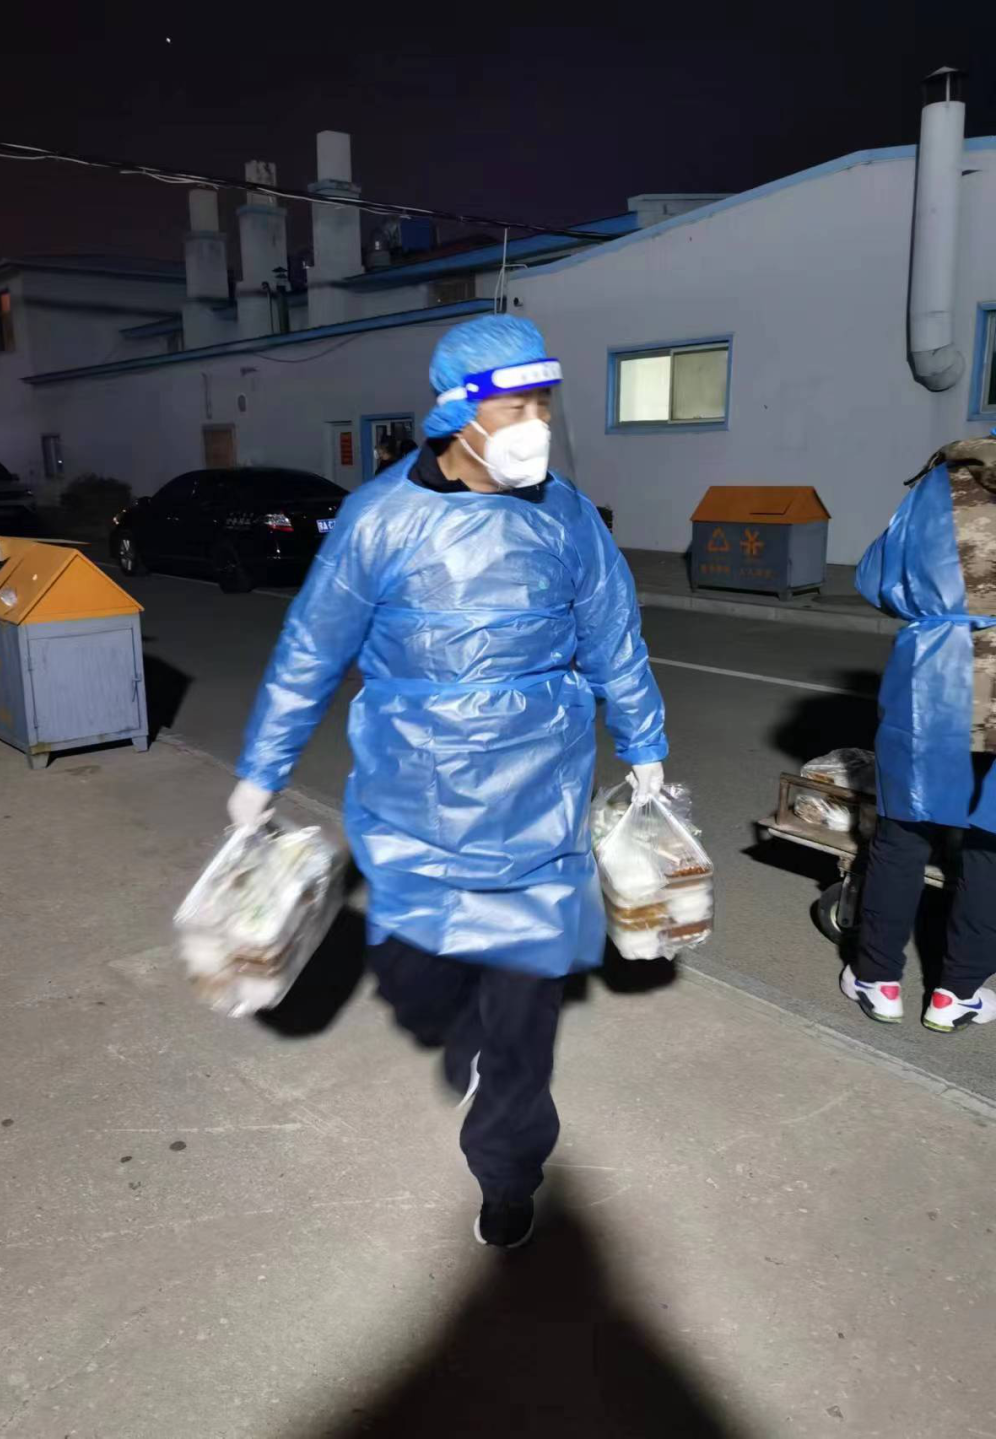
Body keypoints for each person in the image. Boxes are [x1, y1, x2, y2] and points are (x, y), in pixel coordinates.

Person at [228, 316, 667, 1247]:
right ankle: (463, 1019)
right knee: (425, 984)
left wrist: (646, 745)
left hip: (539, 801)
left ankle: (508, 1173)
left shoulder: (565, 515)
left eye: (545, 404)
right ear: (458, 412)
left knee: (523, 1011)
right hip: (413, 801)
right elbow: (311, 650)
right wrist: (261, 771)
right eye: (518, 405)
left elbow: (613, 634)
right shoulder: (379, 518)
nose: (537, 425)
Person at [842, 436, 996, 1031]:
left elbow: (874, 577)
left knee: (904, 831)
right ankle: (957, 994)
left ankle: (878, 980)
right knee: (990, 845)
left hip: (936, 675)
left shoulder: (938, 487)